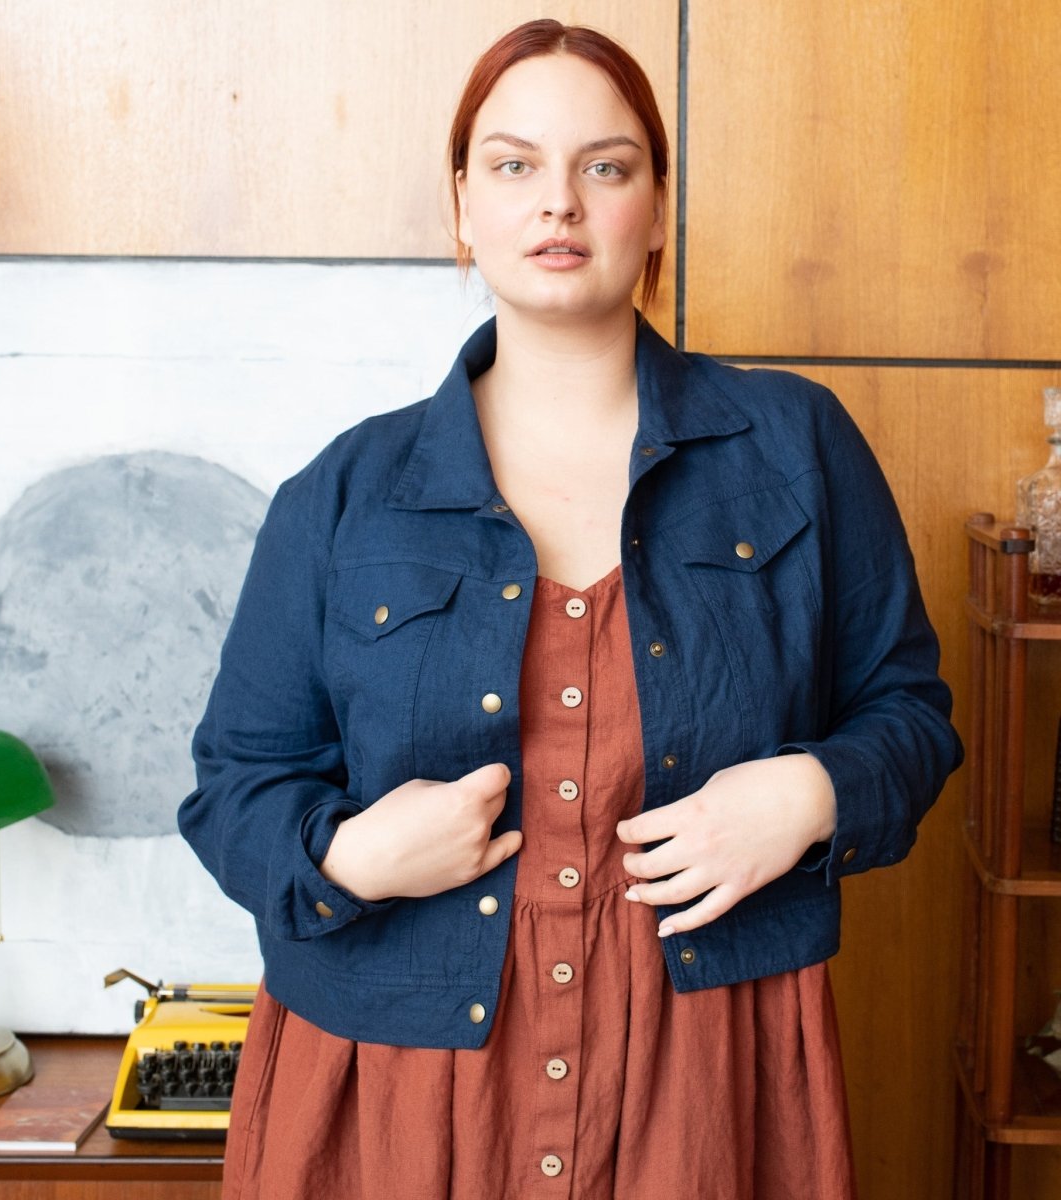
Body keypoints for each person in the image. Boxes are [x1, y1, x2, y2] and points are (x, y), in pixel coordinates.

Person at [178, 18, 962, 1199]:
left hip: (709, 1084)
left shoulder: (796, 448)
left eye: (605, 165)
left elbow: (911, 718)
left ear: (659, 208)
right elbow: (235, 787)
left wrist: (810, 795)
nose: (559, 202)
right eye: (514, 165)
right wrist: (351, 854)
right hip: (392, 1092)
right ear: (462, 206)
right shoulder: (343, 495)